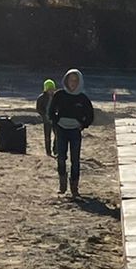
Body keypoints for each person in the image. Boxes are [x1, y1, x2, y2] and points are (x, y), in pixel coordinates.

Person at [47, 68, 94, 199]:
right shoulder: (59, 95)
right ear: (66, 80)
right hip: (61, 130)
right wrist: (56, 123)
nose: (72, 83)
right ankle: (62, 184)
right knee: (61, 158)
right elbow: (51, 112)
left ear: (79, 82)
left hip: (75, 131)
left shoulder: (83, 98)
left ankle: (74, 187)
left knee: (75, 160)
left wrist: (83, 125)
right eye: (70, 80)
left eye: (75, 80)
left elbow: (90, 115)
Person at [36, 77, 57, 156]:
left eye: (52, 89)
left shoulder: (56, 97)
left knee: (57, 135)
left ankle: (56, 150)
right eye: (49, 89)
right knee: (47, 137)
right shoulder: (41, 98)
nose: (51, 91)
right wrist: (43, 115)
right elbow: (38, 108)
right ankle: (48, 152)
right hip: (46, 120)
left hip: (54, 119)